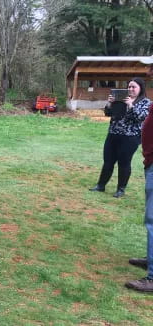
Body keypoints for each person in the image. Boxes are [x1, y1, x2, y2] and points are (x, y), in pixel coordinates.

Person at [89, 78, 151, 198]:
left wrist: (130, 105)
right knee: (108, 161)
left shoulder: (146, 102)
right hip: (113, 134)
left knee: (124, 162)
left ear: (140, 89)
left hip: (130, 137)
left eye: (134, 87)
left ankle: (120, 189)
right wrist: (110, 103)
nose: (131, 89)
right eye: (129, 87)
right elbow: (108, 113)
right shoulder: (120, 98)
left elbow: (141, 117)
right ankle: (101, 185)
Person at [125, 63, 153, 292]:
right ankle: (151, 260)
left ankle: (152, 277)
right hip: (150, 161)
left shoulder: (145, 103)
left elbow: (140, 119)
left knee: (152, 219)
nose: (150, 72)